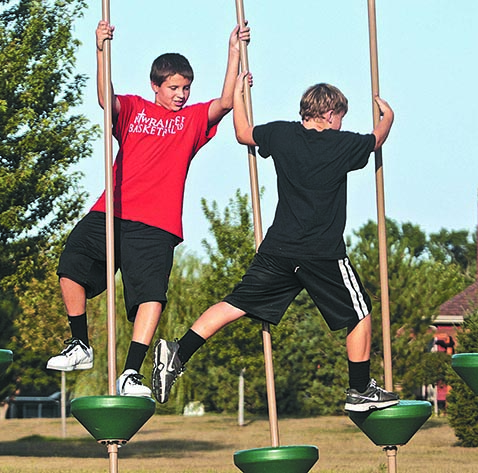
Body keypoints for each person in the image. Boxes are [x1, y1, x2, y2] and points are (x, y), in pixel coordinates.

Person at [151, 72, 399, 412]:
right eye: (340, 117)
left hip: (278, 249)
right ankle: (359, 390)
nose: (341, 124)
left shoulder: (281, 133)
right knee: (359, 313)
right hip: (321, 253)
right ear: (330, 115)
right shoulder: (342, 144)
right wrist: (389, 117)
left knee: (235, 304)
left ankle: (178, 351)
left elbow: (242, 133)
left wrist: (238, 94)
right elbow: (376, 140)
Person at [45, 20, 250, 397]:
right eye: (173, 88)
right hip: (112, 211)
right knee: (71, 264)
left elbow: (224, 102)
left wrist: (234, 51)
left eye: (186, 88)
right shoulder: (135, 109)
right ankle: (79, 344)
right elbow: (106, 98)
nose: (181, 95)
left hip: (156, 223)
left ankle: (130, 373)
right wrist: (100, 49)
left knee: (150, 296)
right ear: (155, 85)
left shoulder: (190, 121)